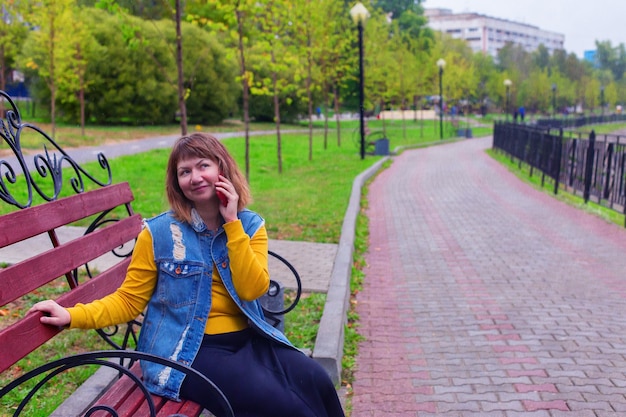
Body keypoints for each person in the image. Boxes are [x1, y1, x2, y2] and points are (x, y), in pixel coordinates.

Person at [28, 132, 345, 417]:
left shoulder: (249, 226)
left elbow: (252, 290)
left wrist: (232, 223)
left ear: (222, 169)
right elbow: (127, 301)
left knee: (317, 381)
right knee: (284, 406)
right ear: (175, 182)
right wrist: (70, 315)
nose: (195, 177)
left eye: (203, 166)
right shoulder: (159, 234)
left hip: (248, 340)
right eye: (184, 171)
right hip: (187, 353)